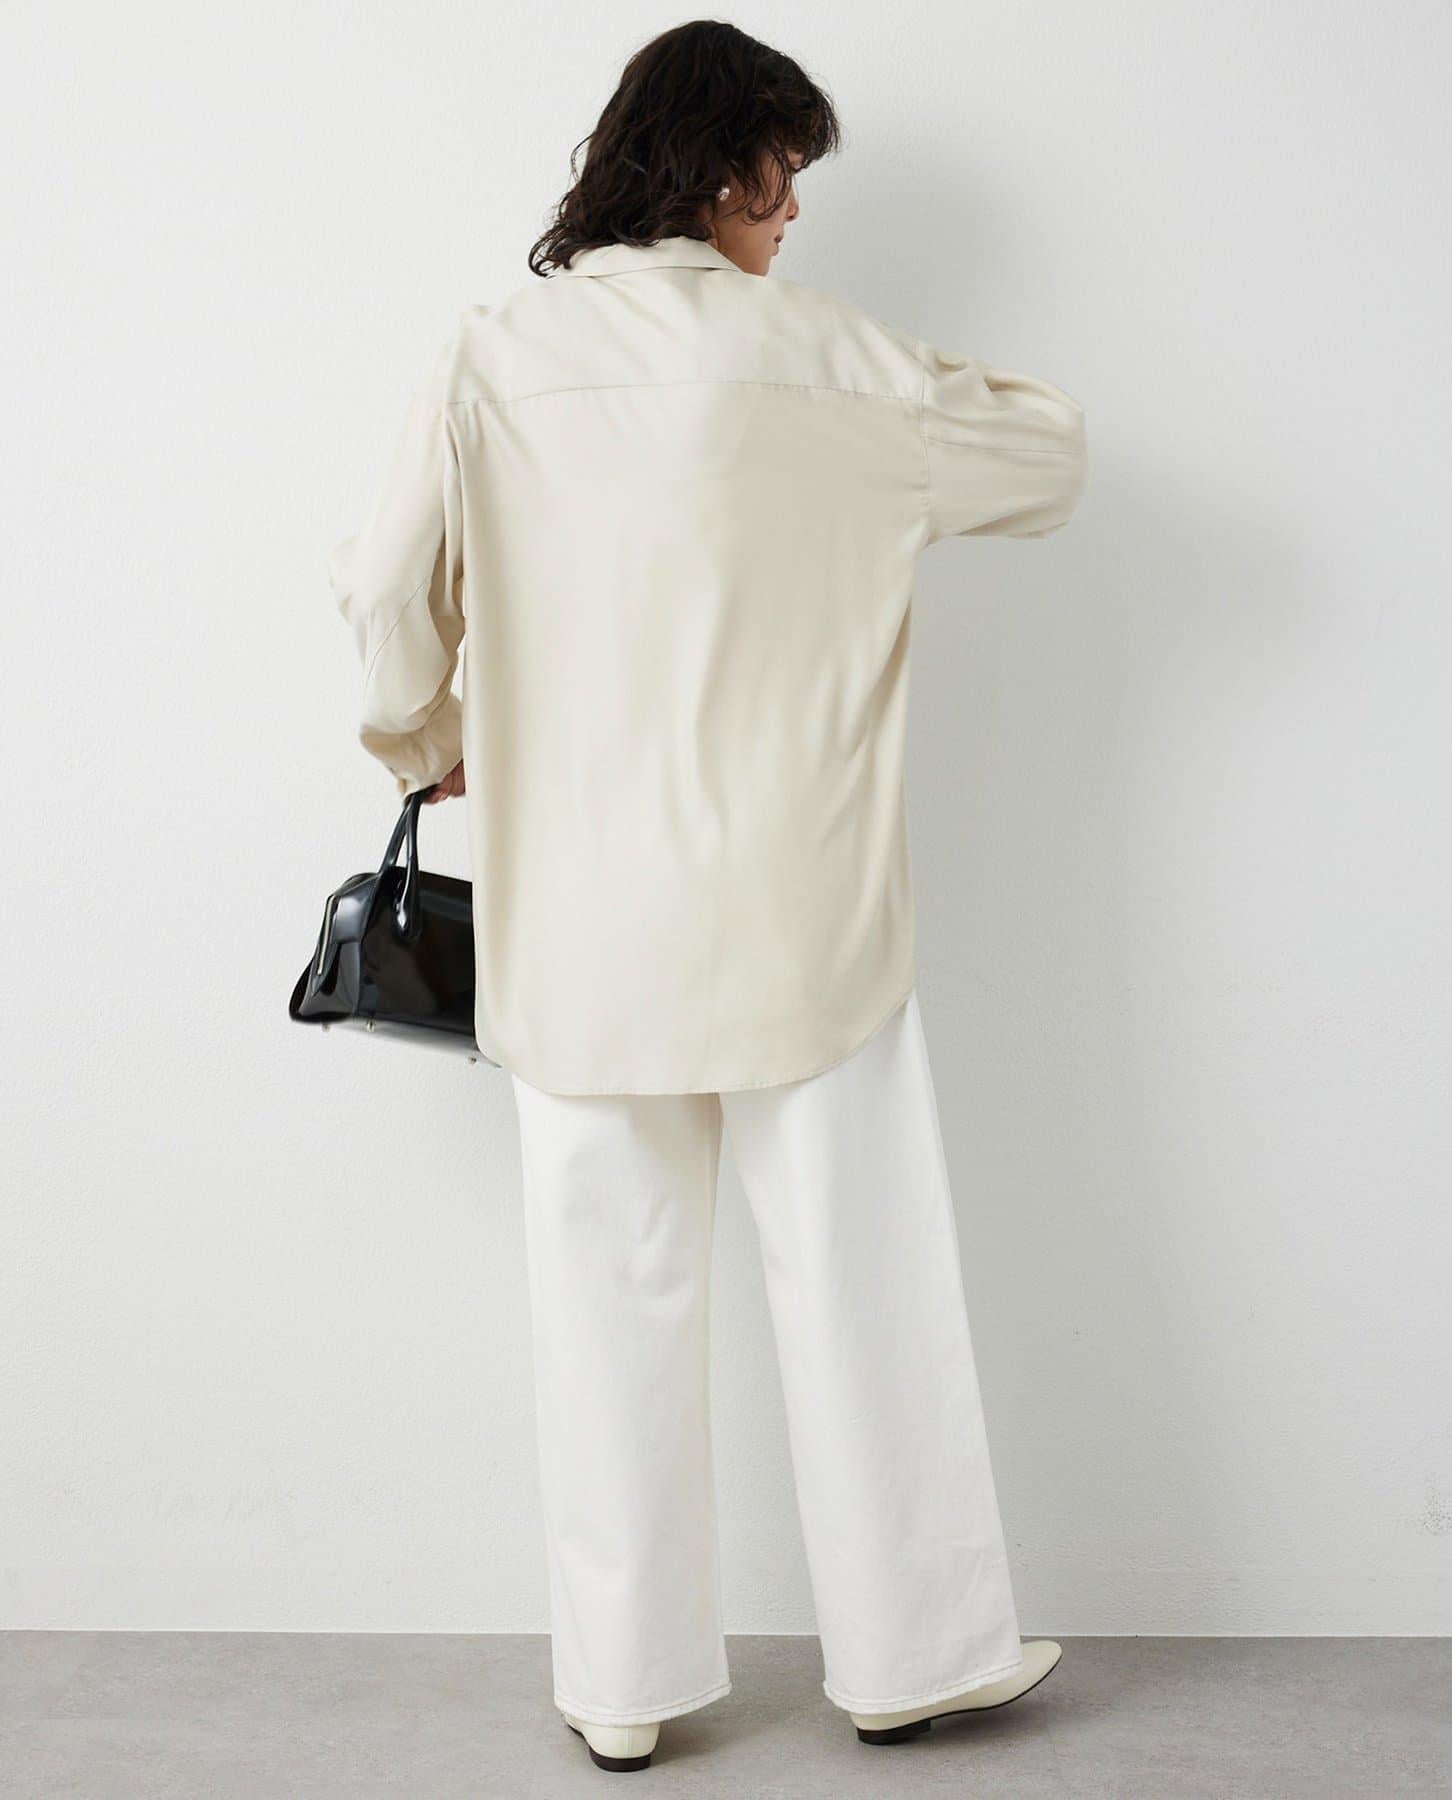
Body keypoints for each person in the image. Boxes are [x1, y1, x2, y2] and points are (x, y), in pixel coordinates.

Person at [328, 19, 1088, 1775]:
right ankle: (911, 1659)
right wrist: (875, 396)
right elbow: (1051, 462)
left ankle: (621, 1686)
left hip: (579, 916)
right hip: (805, 913)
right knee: (862, 1280)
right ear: (719, 164)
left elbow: (382, 591)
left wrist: (428, 741)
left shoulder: (495, 354)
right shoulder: (839, 361)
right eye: (783, 171)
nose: (794, 211)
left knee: (608, 1290)